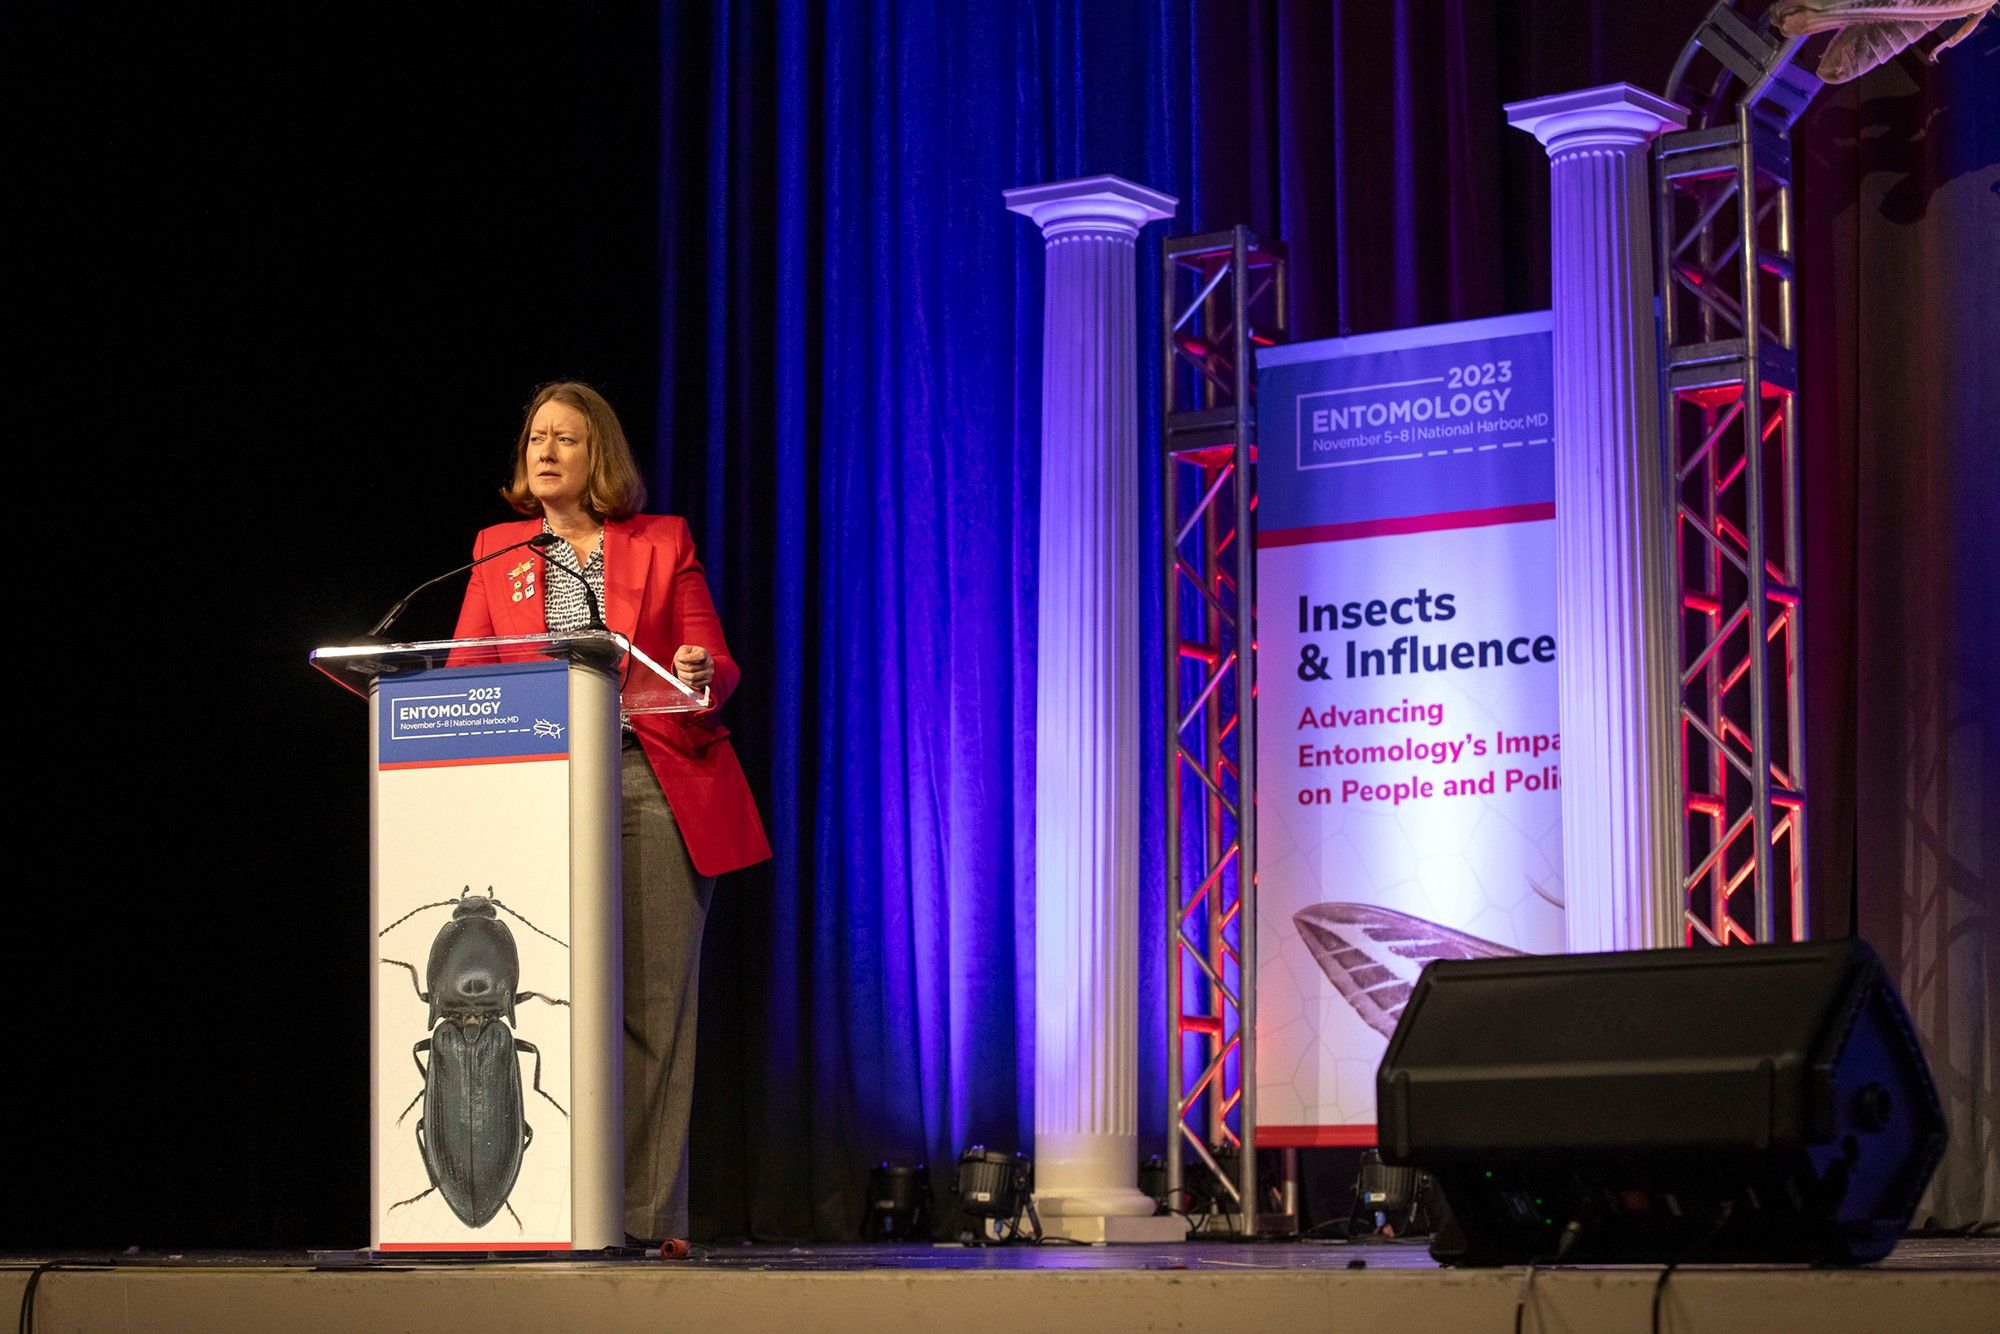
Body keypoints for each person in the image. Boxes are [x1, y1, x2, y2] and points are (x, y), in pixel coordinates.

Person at [450, 380, 770, 1243]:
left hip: (646, 783)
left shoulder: (660, 544)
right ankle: (545, 1208)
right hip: (533, 789)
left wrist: (697, 671)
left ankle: (637, 1218)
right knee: (546, 1003)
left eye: (566, 438)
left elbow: (713, 665)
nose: (545, 450)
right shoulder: (493, 552)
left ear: (600, 458)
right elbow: (463, 678)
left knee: (653, 1010)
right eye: (536, 437)